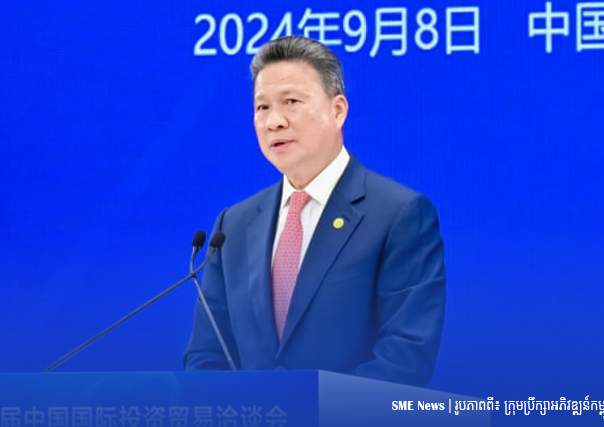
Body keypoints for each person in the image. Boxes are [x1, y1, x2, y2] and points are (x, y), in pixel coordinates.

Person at [183, 36, 446, 387]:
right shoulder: (233, 225)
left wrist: (306, 410)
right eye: (262, 107)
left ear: (338, 110)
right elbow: (206, 355)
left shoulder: (400, 215)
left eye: (291, 102)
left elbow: (405, 358)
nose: (274, 121)